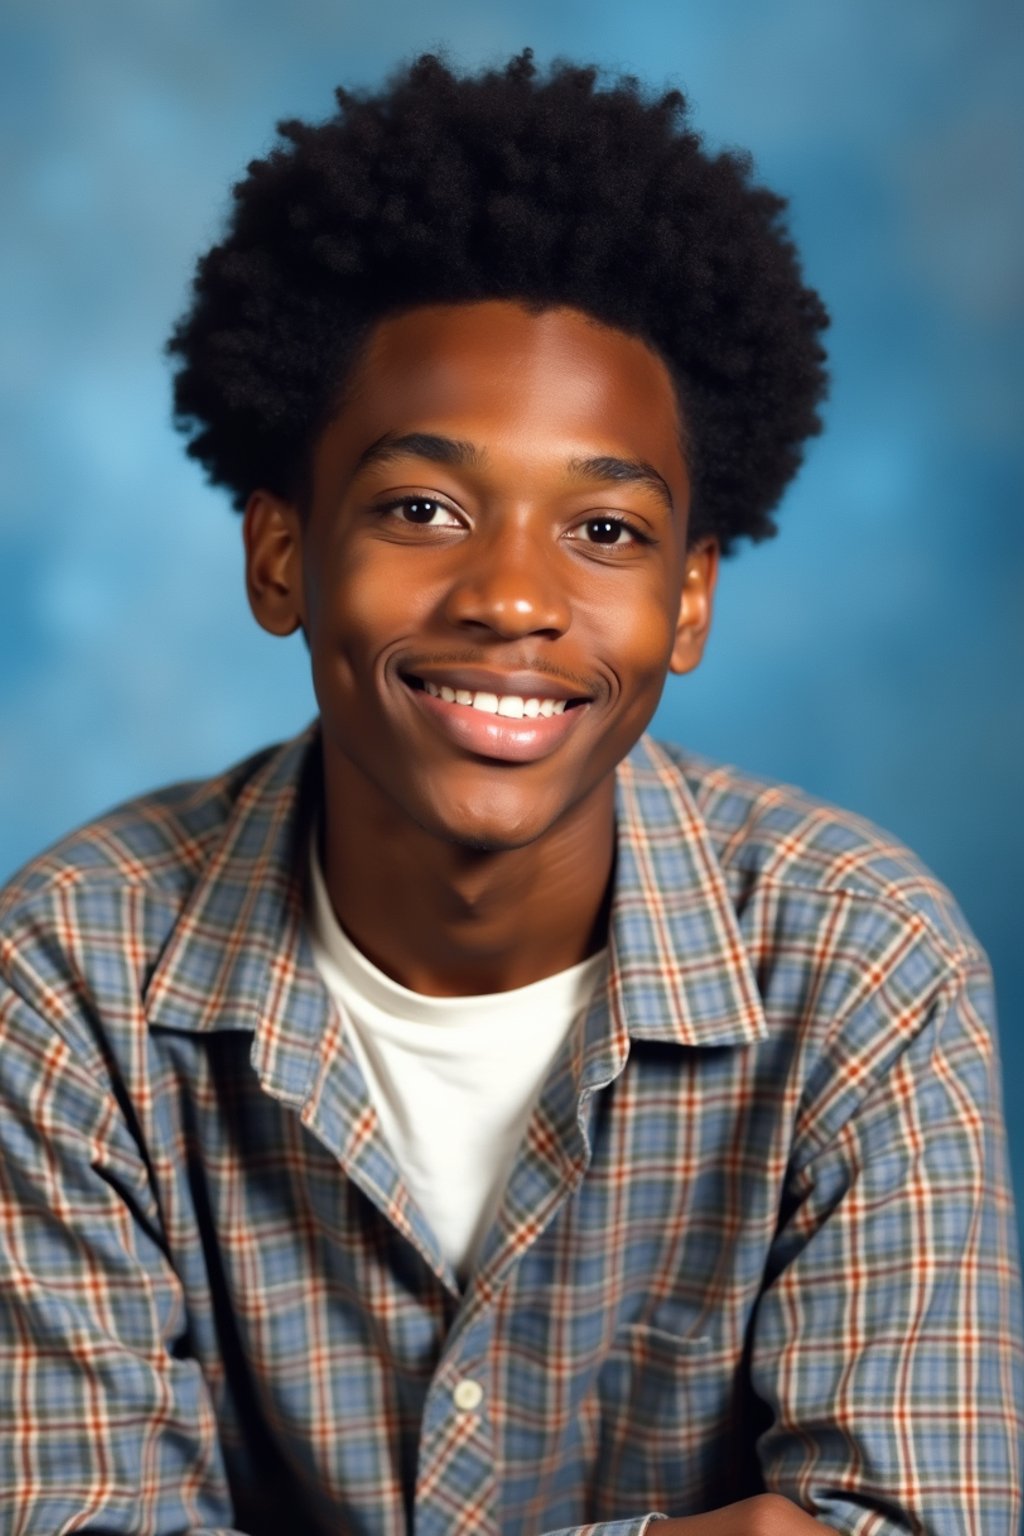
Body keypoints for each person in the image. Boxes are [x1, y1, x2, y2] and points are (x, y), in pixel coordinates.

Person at [0, 49, 1019, 1536]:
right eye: (424, 509)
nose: (514, 599)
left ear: (688, 601)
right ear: (280, 555)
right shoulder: (71, 974)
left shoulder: (862, 967)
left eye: (605, 528)